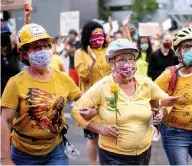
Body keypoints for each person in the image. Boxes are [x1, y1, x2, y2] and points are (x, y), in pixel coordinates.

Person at [71, 38, 179, 165]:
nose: (128, 63)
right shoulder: (102, 86)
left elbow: (167, 102)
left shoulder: (145, 83)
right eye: (122, 59)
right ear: (111, 63)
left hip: (144, 153)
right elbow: (75, 112)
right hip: (113, 156)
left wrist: (162, 112)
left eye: (131, 59)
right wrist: (101, 130)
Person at [1, 23, 82, 165]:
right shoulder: (15, 83)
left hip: (56, 150)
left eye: (46, 46)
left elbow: (82, 99)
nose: (44, 50)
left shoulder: (62, 78)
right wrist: (5, 159)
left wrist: (92, 107)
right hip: (23, 154)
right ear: (25, 53)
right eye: (37, 47)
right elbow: (6, 121)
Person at [154, 27, 192, 165]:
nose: (191, 50)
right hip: (174, 134)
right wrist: (161, 105)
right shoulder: (168, 75)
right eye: (186, 47)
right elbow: (150, 97)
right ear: (177, 51)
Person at [74, 21, 111, 165]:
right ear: (87, 36)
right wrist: (92, 63)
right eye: (95, 34)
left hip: (109, 98)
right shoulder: (80, 53)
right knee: (92, 137)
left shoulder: (108, 50)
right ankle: (93, 163)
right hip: (89, 101)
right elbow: (82, 76)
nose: (99, 37)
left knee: (109, 134)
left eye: (101, 33)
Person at [1, 24, 20, 95]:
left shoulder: (14, 52)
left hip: (16, 92)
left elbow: (26, 45)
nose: (3, 39)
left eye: (5, 36)